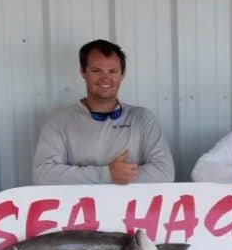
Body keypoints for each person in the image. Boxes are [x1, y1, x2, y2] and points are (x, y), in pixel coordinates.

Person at [33, 39, 175, 185]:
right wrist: (108, 174)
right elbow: (43, 176)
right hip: (81, 208)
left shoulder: (143, 119)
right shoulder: (58, 123)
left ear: (123, 74)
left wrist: (120, 174)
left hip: (132, 208)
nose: (105, 78)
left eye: (112, 71)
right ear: (83, 72)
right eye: (96, 71)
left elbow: (165, 172)